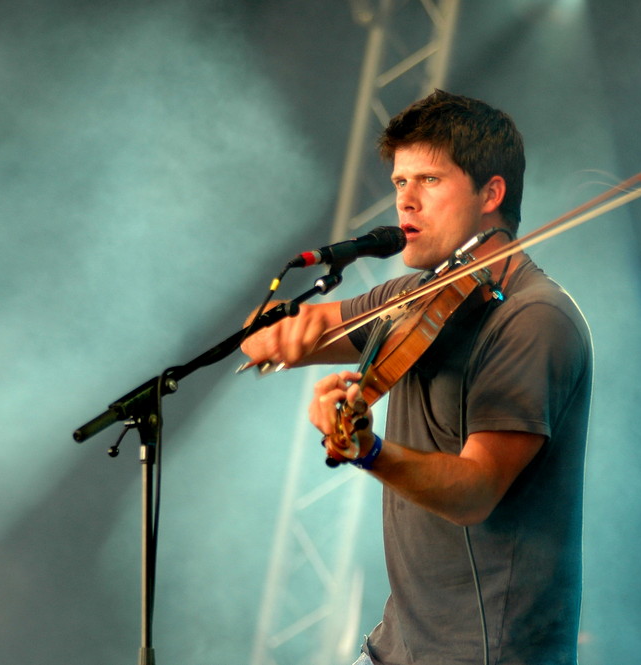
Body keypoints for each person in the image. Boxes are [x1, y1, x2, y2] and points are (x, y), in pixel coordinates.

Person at [241, 90, 593, 665]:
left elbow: (476, 491)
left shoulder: (535, 319)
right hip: (398, 648)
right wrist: (278, 331)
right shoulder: (414, 296)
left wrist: (368, 449)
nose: (405, 201)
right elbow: (269, 336)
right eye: (400, 183)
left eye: (428, 181)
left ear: (491, 193)